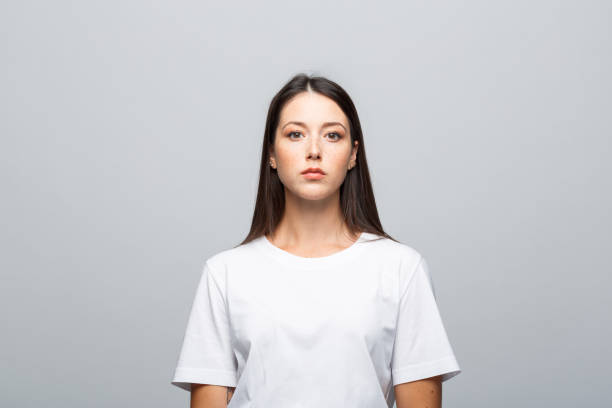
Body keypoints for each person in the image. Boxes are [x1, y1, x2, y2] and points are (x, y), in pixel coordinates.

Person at [170, 73, 462, 407]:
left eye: (332, 136)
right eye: (295, 134)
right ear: (272, 154)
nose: (313, 151)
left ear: (353, 155)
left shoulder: (401, 269)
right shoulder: (224, 274)